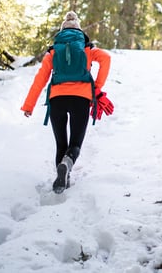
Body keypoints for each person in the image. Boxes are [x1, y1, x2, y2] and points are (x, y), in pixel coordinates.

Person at [21, 11, 112, 193]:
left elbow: (40, 80)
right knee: (75, 144)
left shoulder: (53, 52)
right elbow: (106, 59)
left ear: (61, 33)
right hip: (81, 99)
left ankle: (62, 181)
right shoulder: (87, 49)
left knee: (61, 144)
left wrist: (29, 105)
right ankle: (67, 165)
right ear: (79, 31)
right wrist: (97, 87)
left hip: (57, 100)